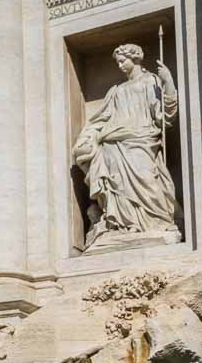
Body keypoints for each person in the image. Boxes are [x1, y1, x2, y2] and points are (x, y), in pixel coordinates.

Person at [72, 43, 180, 247]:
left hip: (142, 139)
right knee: (118, 185)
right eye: (118, 62)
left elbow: (165, 115)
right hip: (114, 144)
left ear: (135, 59)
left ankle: (158, 221)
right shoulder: (116, 90)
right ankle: (124, 224)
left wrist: (168, 82)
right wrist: (88, 137)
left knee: (147, 178)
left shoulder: (151, 81)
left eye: (123, 61)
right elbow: (102, 119)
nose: (120, 65)